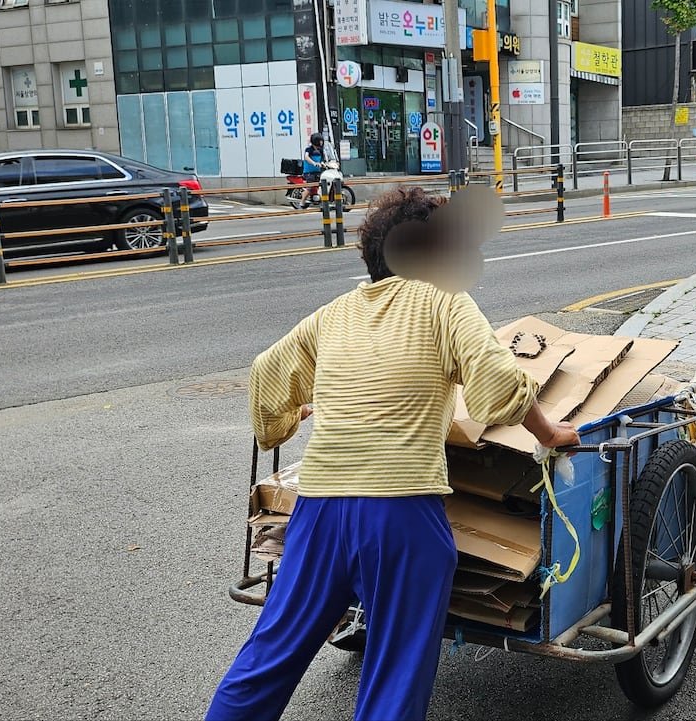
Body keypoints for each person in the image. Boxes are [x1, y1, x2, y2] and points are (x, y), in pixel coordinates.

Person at [205, 186, 580, 721]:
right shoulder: (446, 300)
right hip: (400, 514)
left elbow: (267, 370)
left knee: (271, 654)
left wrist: (286, 422)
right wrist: (550, 435)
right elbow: (498, 385)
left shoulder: (335, 313)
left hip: (318, 510)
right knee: (394, 673)